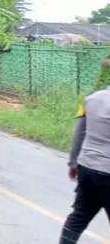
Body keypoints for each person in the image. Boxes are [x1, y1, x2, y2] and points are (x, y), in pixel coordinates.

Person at [60, 60, 110, 244]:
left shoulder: (92, 98)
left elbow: (78, 134)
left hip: (87, 167)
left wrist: (73, 164)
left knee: (79, 216)